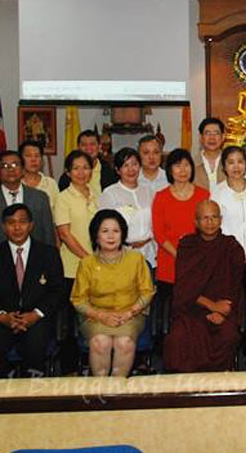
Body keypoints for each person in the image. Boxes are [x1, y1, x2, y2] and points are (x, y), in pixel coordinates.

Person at [0, 204, 65, 378]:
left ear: (31, 225)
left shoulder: (48, 253)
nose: (17, 227)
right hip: (3, 320)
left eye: (22, 222)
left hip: (37, 319)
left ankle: (30, 399)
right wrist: (2, 317)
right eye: (11, 223)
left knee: (35, 347)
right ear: (3, 227)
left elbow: (57, 291)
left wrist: (36, 314)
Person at [71, 209, 155, 377]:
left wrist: (129, 312)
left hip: (131, 314)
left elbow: (147, 292)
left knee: (124, 342)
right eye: (105, 231)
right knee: (101, 342)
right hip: (95, 316)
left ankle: (117, 392)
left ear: (122, 234)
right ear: (96, 236)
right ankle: (100, 392)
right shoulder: (87, 263)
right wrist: (100, 315)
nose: (111, 236)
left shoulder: (136, 259)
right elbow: (78, 299)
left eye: (116, 231)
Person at [164, 200, 245, 372]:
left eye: (214, 217)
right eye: (205, 218)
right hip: (192, 309)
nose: (210, 222)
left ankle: (217, 387)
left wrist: (222, 311)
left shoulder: (231, 247)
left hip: (223, 309)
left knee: (228, 336)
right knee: (177, 338)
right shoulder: (187, 246)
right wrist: (211, 306)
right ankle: (184, 390)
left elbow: (236, 286)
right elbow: (183, 288)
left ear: (221, 220)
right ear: (196, 222)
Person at [211, 146, 246, 366]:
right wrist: (235, 252)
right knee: (231, 305)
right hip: (227, 258)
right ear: (224, 167)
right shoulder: (218, 192)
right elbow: (216, 225)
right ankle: (229, 351)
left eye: (240, 161)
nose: (236, 166)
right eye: (231, 162)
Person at [152, 148, 210, 292]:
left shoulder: (203, 195)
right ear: (170, 170)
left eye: (186, 165)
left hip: (198, 260)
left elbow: (209, 229)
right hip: (170, 260)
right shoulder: (161, 197)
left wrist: (193, 256)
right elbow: (159, 233)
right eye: (177, 165)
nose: (183, 170)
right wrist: (179, 255)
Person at [0, 150, 56, 250]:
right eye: (4, 166)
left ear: (23, 170)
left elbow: (49, 236)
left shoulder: (40, 198)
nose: (10, 169)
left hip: (37, 260)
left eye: (15, 164)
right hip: (2, 261)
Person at [98, 148, 156, 271]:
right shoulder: (110, 194)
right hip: (121, 254)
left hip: (149, 254)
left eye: (134, 164)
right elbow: (103, 227)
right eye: (125, 165)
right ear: (118, 170)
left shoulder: (149, 191)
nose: (131, 169)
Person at [55, 150, 99, 286]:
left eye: (85, 168)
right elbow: (64, 234)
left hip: (99, 263)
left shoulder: (97, 195)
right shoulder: (63, 198)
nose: (81, 173)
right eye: (76, 168)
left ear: (91, 171)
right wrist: (88, 259)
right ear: (68, 172)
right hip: (72, 266)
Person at [58, 129, 118, 195]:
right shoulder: (68, 176)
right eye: (84, 145)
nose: (88, 148)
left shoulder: (110, 172)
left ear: (99, 147)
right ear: (78, 148)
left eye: (92, 144)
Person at [19, 140, 59, 212]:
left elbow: (58, 213)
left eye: (37, 156)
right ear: (20, 159)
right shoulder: (15, 184)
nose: (33, 159)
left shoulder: (51, 184)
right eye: (28, 156)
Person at [194, 117, 226, 191]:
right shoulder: (191, 164)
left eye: (216, 133)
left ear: (223, 137)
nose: (212, 137)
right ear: (200, 137)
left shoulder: (230, 162)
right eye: (207, 133)